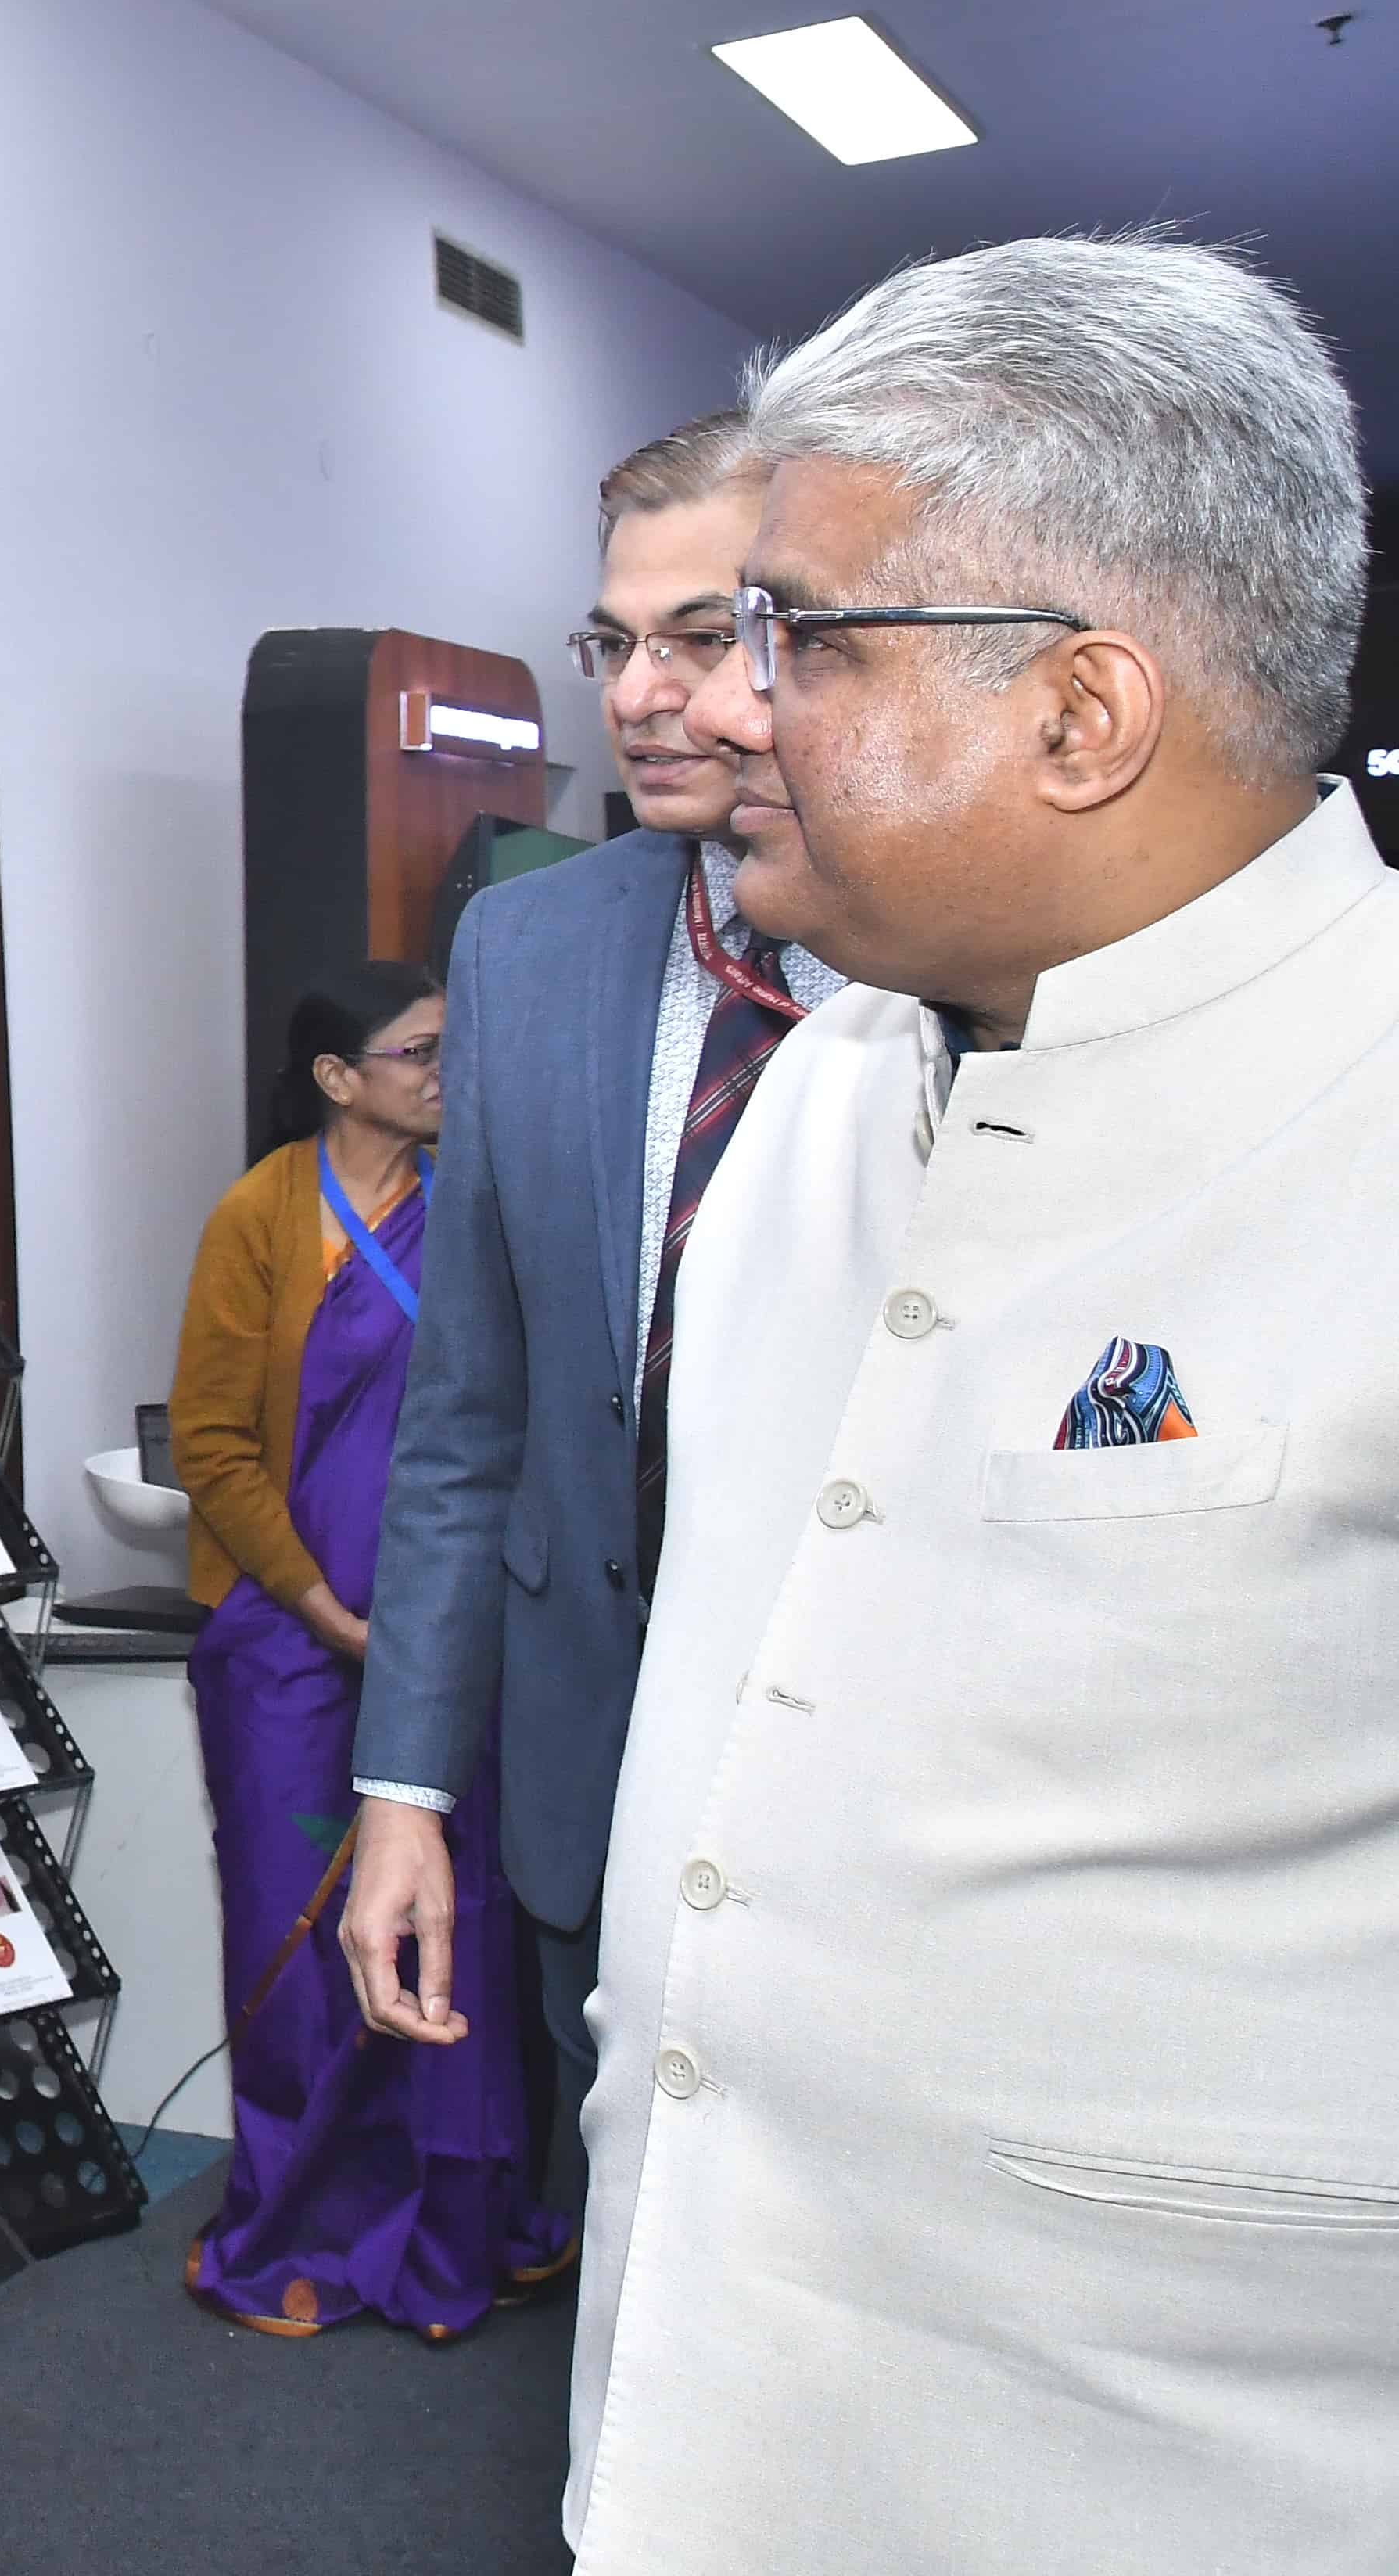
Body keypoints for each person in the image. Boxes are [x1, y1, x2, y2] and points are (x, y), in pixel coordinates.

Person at [565, 234, 1397, 2566]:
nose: (717, 708)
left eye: (794, 636)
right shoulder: (816, 1095)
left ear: (1077, 711)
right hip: (696, 2427)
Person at [339, 415, 846, 2213]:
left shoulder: (959, 956)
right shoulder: (525, 946)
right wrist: (404, 1785)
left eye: (697, 637)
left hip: (868, 1788)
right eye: (610, 643)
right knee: (626, 2266)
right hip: (593, 1772)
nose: (636, 695)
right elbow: (467, 1413)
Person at [167, 964, 567, 2337]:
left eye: (457, 1045)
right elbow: (212, 1444)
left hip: (454, 1650)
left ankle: (459, 2227)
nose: (448, 1072)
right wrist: (322, 1606)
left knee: (462, 1932)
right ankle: (300, 2232)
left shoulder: (480, 1202)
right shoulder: (261, 1214)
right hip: (287, 1649)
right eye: (418, 1050)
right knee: (295, 1943)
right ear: (338, 1079)